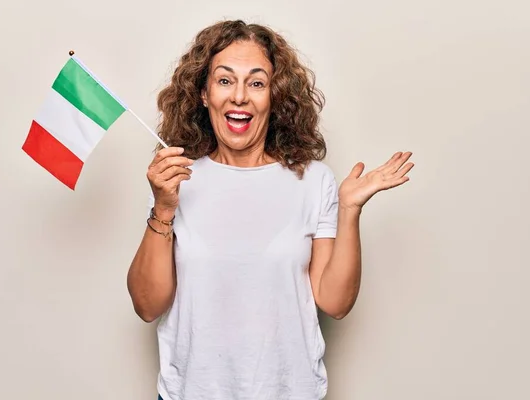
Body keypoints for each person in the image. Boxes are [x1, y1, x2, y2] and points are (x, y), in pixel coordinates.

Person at [127, 19, 414, 400]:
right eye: (225, 80)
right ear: (203, 93)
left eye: (257, 82)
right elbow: (147, 306)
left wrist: (348, 210)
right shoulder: (177, 179)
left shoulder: (313, 181)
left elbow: (335, 302)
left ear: (275, 97)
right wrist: (163, 208)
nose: (240, 97)